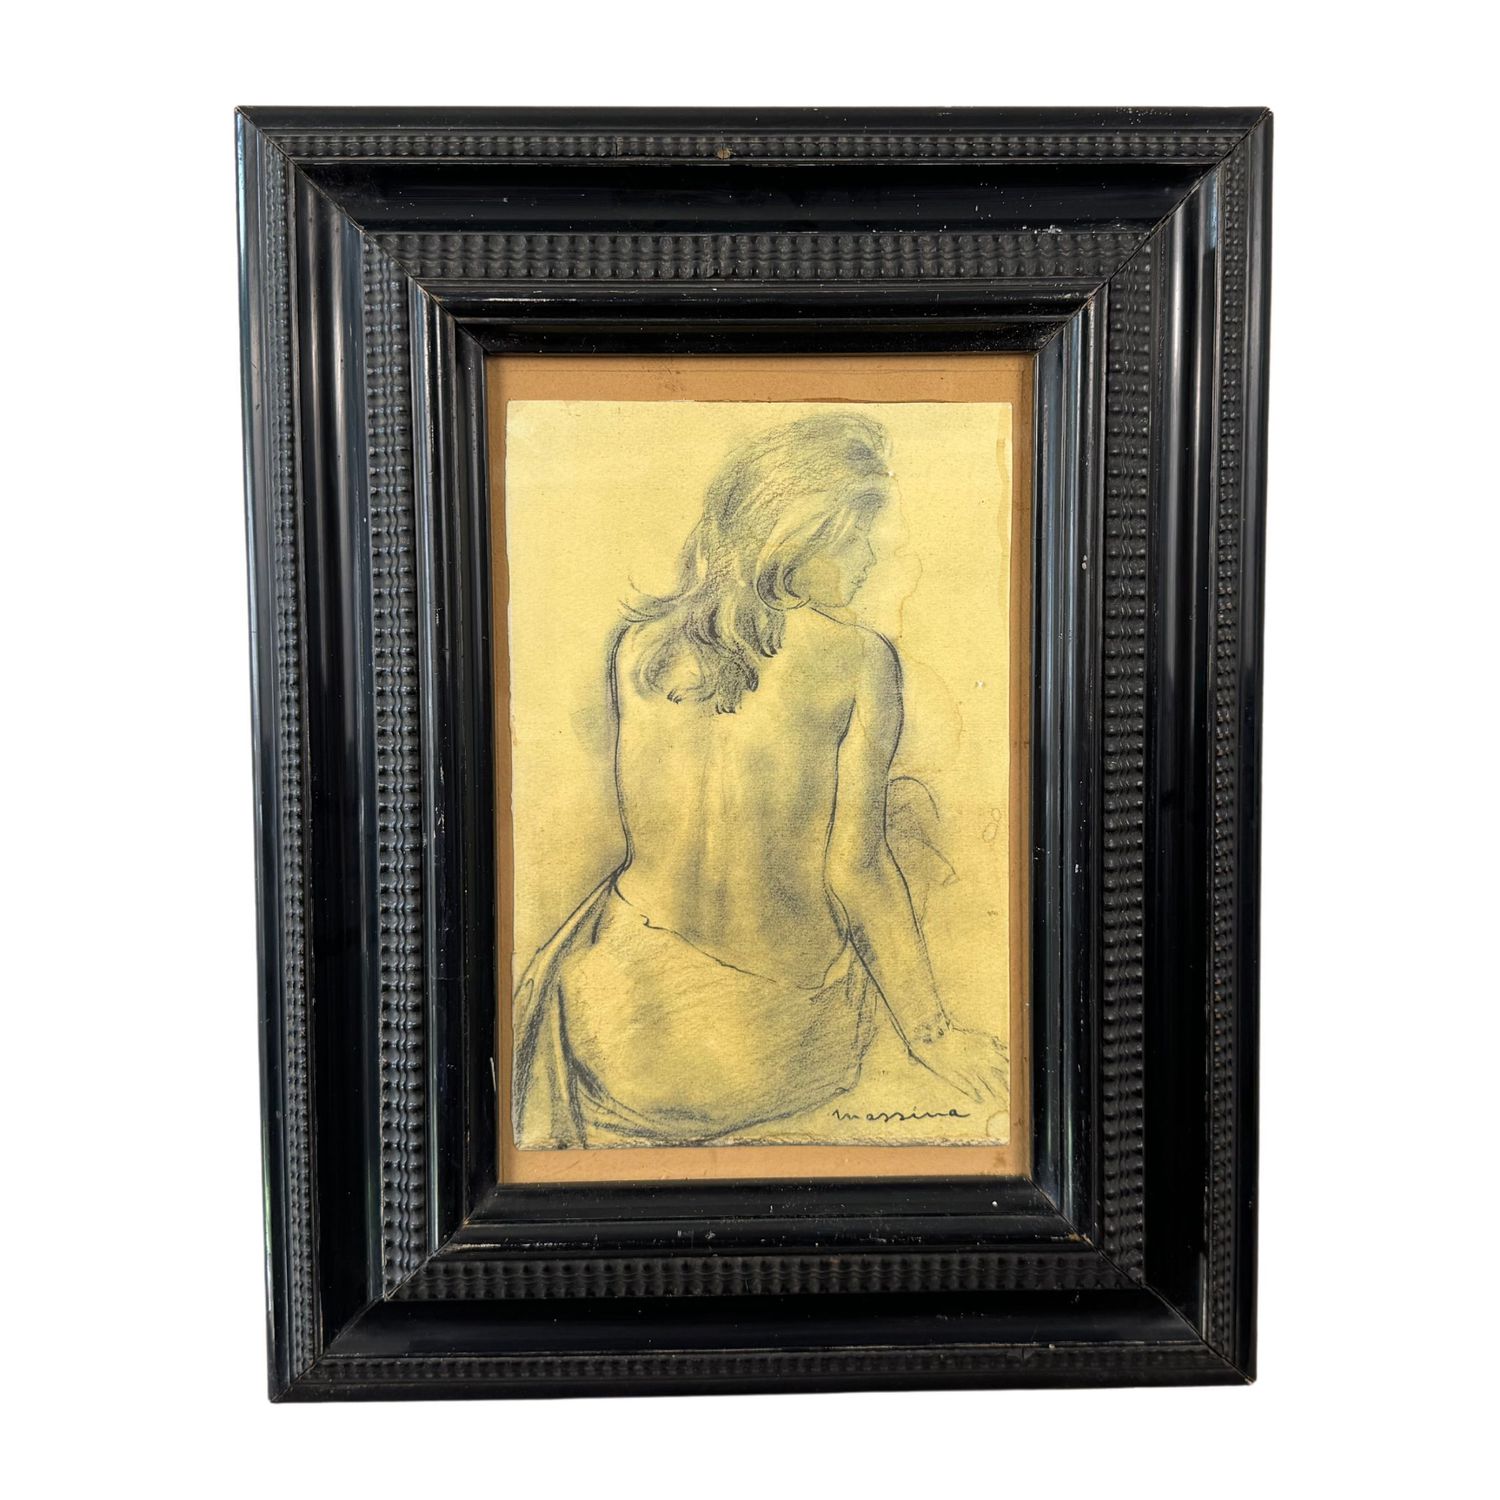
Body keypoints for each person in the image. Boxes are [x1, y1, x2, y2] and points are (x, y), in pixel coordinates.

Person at [513, 411, 1007, 1147]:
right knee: (911, 820)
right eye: (859, 533)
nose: (875, 553)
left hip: (610, 1024)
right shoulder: (860, 660)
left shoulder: (638, 646)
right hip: (765, 1049)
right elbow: (856, 870)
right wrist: (935, 1034)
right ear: (803, 533)